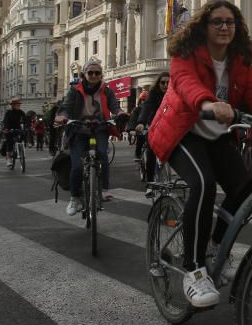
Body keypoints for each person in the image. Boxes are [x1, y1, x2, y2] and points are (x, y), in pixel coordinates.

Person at [148, 0, 252, 308]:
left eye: (230, 22)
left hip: (217, 137)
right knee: (203, 183)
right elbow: (186, 84)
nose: (225, 27)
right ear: (203, 27)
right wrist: (209, 104)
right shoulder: (185, 55)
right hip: (182, 132)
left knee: (246, 190)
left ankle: (215, 246)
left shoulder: (239, 61)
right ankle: (193, 270)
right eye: (217, 22)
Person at [55, 58, 121, 216]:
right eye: (90, 73)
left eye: (97, 73)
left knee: (103, 156)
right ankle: (74, 198)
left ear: (101, 75)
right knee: (77, 166)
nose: (93, 75)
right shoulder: (74, 90)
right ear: (84, 74)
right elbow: (65, 107)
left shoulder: (106, 90)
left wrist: (120, 113)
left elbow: (115, 106)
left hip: (100, 128)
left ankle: (104, 190)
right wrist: (62, 116)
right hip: (78, 129)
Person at [135, 72, 169, 184]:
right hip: (155, 125)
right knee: (151, 152)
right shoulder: (153, 94)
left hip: (170, 125)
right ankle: (150, 183)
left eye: (168, 82)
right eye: (163, 82)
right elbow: (146, 108)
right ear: (158, 83)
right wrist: (141, 123)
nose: (165, 85)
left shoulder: (175, 93)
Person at [1, 98, 26, 165]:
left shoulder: (21, 112)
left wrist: (26, 127)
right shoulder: (8, 112)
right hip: (9, 129)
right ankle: (9, 159)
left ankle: (21, 149)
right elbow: (5, 121)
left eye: (19, 104)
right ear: (13, 105)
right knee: (9, 143)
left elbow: (25, 120)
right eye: (17, 105)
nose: (19, 106)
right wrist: (6, 128)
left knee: (22, 136)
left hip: (18, 129)